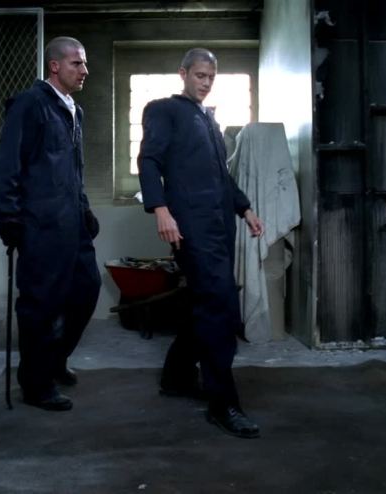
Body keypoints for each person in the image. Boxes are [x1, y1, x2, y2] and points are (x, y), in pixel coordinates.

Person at [137, 48, 265, 438]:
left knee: (205, 304)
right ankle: (223, 403)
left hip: (220, 225)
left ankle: (175, 377)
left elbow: (221, 176)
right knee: (220, 308)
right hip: (190, 227)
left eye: (211, 77)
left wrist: (245, 208)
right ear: (183, 73)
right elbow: (148, 161)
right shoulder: (164, 110)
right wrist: (160, 209)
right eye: (200, 75)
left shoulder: (208, 119)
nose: (206, 83)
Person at [0, 36, 101, 411]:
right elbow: (8, 162)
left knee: (87, 288)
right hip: (40, 223)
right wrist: (8, 215)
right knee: (40, 302)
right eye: (77, 63)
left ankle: (54, 359)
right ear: (55, 66)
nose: (84, 70)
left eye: (84, 64)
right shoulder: (30, 104)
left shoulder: (74, 111)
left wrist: (84, 207)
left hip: (72, 221)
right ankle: (36, 383)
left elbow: (74, 168)